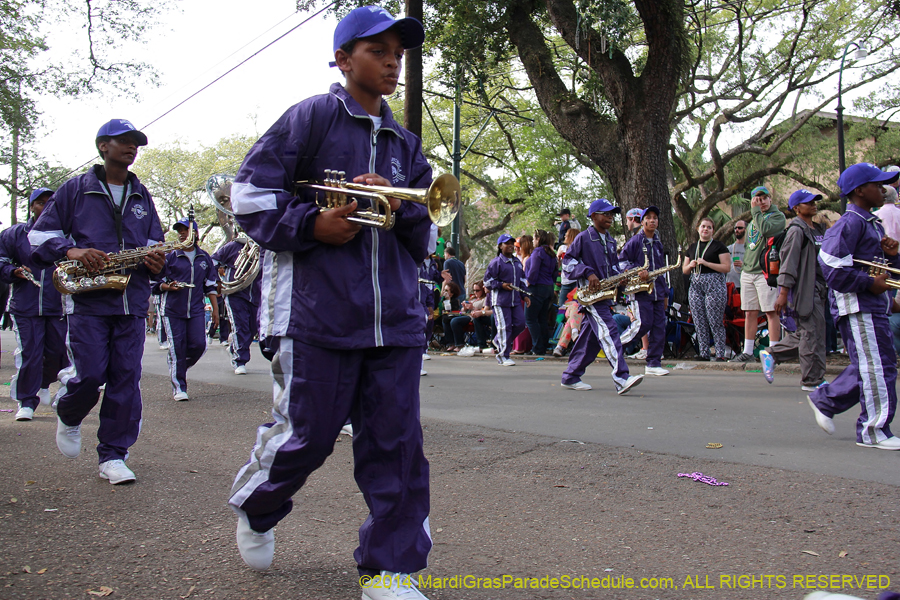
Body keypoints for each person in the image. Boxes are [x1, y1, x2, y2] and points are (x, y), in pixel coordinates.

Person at [226, 8, 435, 598]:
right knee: (307, 436)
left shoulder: (405, 143)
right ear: (344, 60)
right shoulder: (310, 117)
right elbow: (247, 195)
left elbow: (425, 239)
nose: (393, 61)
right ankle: (257, 506)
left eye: (399, 52)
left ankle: (390, 570)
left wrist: (400, 208)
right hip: (317, 315)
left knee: (397, 448)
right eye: (378, 50)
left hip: (394, 320)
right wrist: (311, 222)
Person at [28, 118, 166, 484]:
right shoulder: (75, 189)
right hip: (88, 300)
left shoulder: (142, 194)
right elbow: (38, 236)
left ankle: (113, 455)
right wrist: (73, 250)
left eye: (136, 142)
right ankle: (70, 413)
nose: (132, 147)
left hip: (132, 301)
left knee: (126, 378)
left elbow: (154, 242)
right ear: (102, 146)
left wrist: (156, 262)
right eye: (123, 141)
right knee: (90, 375)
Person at [807, 163, 900, 451]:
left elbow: (876, 269)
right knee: (877, 367)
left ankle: (826, 400)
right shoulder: (850, 222)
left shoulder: (871, 222)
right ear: (860, 191)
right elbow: (831, 266)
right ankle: (873, 430)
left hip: (872, 305)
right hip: (859, 306)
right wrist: (870, 284)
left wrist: (892, 256)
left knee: (876, 365)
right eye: (877, 184)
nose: (884, 189)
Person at [560, 198, 643, 394]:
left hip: (605, 295)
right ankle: (621, 377)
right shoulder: (583, 237)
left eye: (612, 214)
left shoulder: (612, 240)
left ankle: (571, 376)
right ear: (594, 216)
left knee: (590, 339)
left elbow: (614, 266)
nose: (610, 217)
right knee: (609, 330)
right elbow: (567, 263)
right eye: (606, 214)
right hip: (591, 296)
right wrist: (587, 272)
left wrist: (620, 280)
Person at [0, 188, 68, 420]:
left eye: (50, 203)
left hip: (58, 305)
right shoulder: (14, 234)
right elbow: (1, 260)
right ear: (31, 206)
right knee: (30, 353)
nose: (45, 207)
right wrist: (13, 270)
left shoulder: (66, 236)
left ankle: (42, 384)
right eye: (40, 203)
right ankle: (26, 402)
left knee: (58, 353)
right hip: (25, 305)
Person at [759, 190, 827, 390]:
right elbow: (788, 265)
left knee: (811, 334)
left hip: (819, 289)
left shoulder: (815, 229)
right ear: (796, 208)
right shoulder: (796, 231)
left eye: (815, 201)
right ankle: (812, 380)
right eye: (808, 202)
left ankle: (772, 354)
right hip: (804, 291)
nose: (813, 204)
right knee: (809, 334)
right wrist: (783, 294)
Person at [155, 218, 219, 401]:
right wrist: (168, 287)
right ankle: (179, 387)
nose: (182, 233)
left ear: (195, 233)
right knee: (177, 348)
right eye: (179, 231)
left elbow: (211, 286)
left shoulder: (204, 257)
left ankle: (179, 366)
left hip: (196, 310)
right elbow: (155, 283)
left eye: (186, 230)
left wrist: (215, 310)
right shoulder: (170, 256)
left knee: (199, 345)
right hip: (172, 310)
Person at [732, 185, 785, 362]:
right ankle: (748, 351)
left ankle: (775, 351)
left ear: (770, 199)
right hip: (749, 272)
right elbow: (751, 245)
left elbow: (766, 230)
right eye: (757, 199)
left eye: (763, 198)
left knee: (771, 312)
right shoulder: (755, 219)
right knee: (750, 312)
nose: (760, 202)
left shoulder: (777, 216)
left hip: (766, 272)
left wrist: (756, 212)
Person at [618, 206, 670, 376]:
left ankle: (654, 363)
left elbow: (661, 270)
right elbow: (621, 262)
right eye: (649, 217)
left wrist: (665, 294)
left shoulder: (658, 242)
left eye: (655, 217)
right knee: (643, 324)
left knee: (659, 327)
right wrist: (637, 269)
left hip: (657, 291)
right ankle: (616, 345)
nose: (653, 220)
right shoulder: (635, 241)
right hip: (641, 291)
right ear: (643, 221)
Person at [683, 217, 731, 361]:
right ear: (698, 229)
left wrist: (707, 263)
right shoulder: (692, 247)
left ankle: (720, 353)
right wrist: (690, 265)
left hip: (714, 284)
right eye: (703, 226)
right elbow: (684, 270)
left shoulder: (719, 246)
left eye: (709, 227)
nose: (705, 229)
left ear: (712, 231)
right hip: (696, 283)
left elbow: (726, 267)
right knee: (699, 320)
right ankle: (703, 352)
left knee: (715, 319)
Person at [212, 237, 261, 374]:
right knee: (240, 326)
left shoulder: (265, 247)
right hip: (236, 294)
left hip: (256, 295)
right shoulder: (234, 245)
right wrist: (216, 281)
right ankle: (239, 360)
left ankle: (235, 348)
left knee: (252, 328)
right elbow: (213, 261)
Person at [485, 234, 530, 365]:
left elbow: (522, 281)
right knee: (505, 327)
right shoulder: (496, 263)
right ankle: (503, 356)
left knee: (521, 324)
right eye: (507, 243)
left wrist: (525, 295)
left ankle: (499, 339)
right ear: (500, 246)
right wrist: (501, 285)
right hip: (500, 301)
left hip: (515, 300)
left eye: (512, 243)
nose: (510, 245)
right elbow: (487, 282)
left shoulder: (517, 262)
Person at [524, 229, 558, 356]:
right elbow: (555, 273)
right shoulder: (551, 254)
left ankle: (537, 348)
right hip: (548, 288)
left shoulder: (538, 252)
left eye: (534, 239)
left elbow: (533, 270)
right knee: (542, 319)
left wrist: (529, 282)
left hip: (536, 288)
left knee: (531, 318)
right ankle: (543, 346)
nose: (533, 241)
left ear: (538, 239)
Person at [556, 226, 580, 305]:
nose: (565, 236)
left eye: (567, 235)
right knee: (561, 306)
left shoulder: (579, 249)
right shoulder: (563, 248)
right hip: (565, 281)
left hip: (576, 281)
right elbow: (558, 263)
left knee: (576, 305)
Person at [726, 219, 747, 290]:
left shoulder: (750, 248)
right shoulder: (728, 248)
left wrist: (743, 265)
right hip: (730, 285)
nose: (737, 230)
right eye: (735, 228)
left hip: (745, 285)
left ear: (746, 230)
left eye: (740, 228)